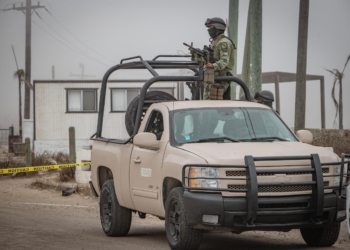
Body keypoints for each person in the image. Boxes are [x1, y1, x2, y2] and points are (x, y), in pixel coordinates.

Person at [204, 17, 236, 100]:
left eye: (210, 27)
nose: (208, 30)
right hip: (213, 78)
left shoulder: (224, 42)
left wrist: (213, 66)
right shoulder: (215, 42)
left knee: (215, 105)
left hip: (220, 80)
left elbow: (224, 61)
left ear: (217, 28)